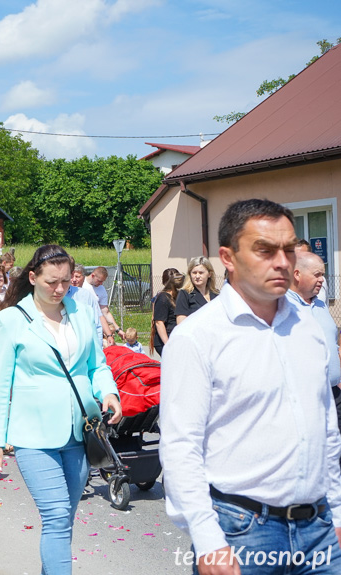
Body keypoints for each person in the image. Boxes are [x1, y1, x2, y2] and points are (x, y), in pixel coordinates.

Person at [160, 199, 341, 575]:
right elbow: (181, 445)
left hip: (319, 529)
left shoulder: (307, 326)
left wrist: (337, 510)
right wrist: (208, 540)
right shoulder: (198, 336)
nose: (282, 261)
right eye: (265, 250)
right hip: (241, 530)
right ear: (228, 257)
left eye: (289, 249)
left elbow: (325, 423)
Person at [0, 244, 121, 574]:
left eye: (66, 282)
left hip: (80, 431)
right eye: (51, 282)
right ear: (32, 277)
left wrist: (109, 392)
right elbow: (0, 384)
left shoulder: (82, 312)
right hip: (34, 435)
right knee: (57, 515)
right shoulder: (11, 319)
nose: (60, 289)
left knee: (64, 522)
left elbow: (96, 365)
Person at [287, 251, 341, 387]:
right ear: (297, 274)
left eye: (322, 275)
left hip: (334, 392)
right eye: (317, 274)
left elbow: (333, 343)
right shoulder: (282, 306)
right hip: (306, 395)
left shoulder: (320, 304)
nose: (322, 279)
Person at [82, 266, 125, 341]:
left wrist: (118, 329)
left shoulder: (101, 289)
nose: (101, 284)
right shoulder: (81, 284)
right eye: (99, 281)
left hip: (95, 327)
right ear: (93, 275)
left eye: (103, 281)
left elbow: (105, 312)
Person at [175, 256, 219, 324]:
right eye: (194, 273)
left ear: (209, 274)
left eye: (201, 273)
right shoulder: (185, 294)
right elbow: (181, 324)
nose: (197, 276)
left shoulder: (216, 294)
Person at [151, 268, 183, 356]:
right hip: (165, 340)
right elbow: (159, 323)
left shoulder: (179, 296)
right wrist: (168, 343)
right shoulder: (163, 298)